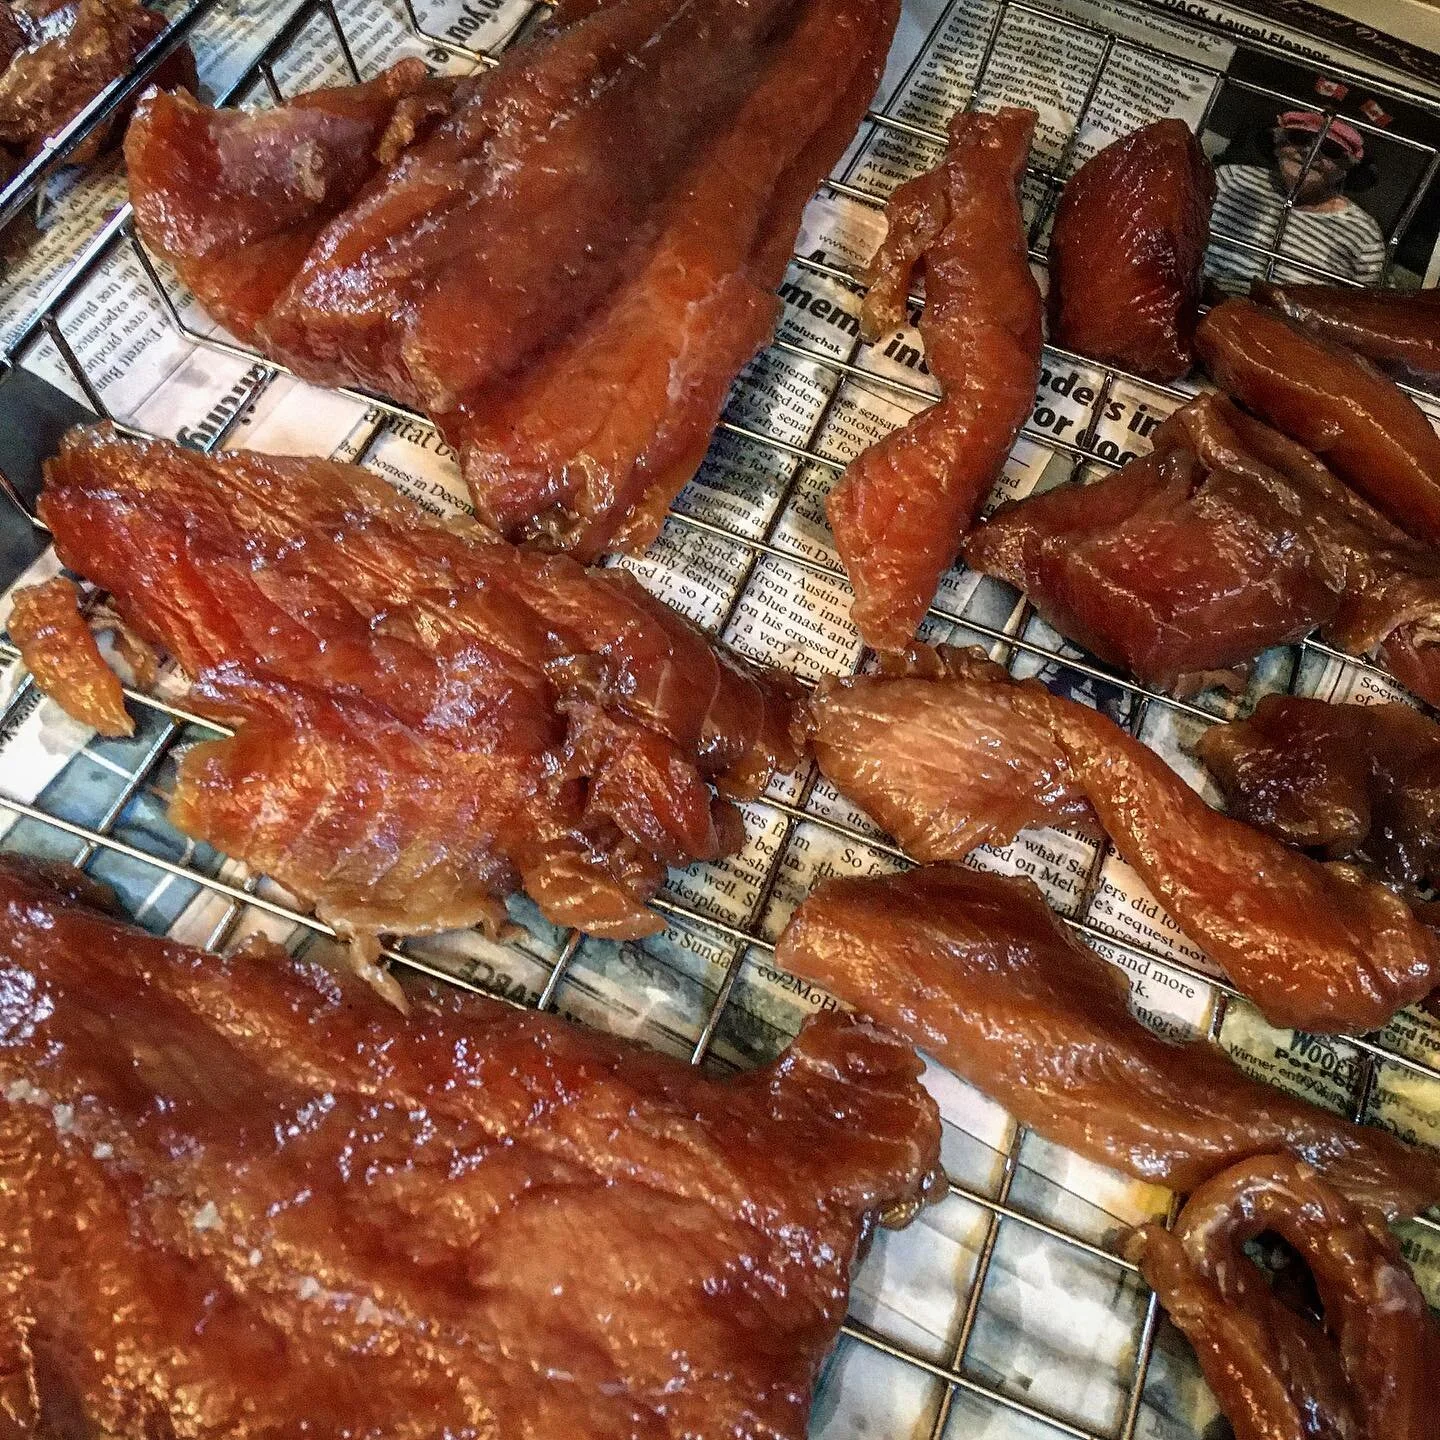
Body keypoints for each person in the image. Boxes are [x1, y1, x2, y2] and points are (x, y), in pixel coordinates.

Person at [1209, 110, 1386, 288]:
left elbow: (1359, 307)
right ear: (1278, 143)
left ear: (1346, 168)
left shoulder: (1364, 235)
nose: (1310, 152)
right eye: (1299, 137)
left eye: (1330, 149)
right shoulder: (1230, 178)